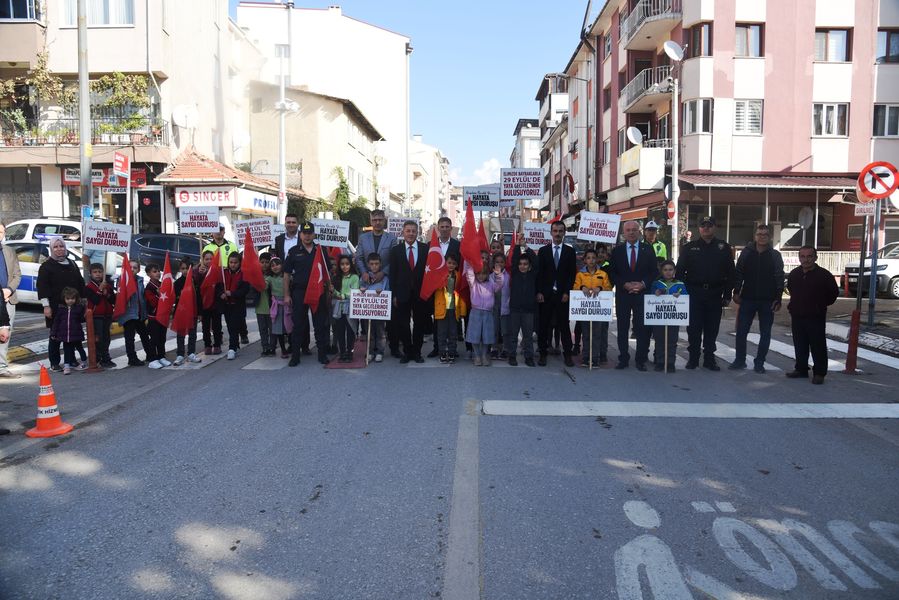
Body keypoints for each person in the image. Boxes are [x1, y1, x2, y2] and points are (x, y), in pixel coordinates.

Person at [675, 216, 735, 371]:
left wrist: (728, 295)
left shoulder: (724, 247)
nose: (706, 228)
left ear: (715, 227)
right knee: (693, 328)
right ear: (698, 228)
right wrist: (681, 293)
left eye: (709, 225)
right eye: (703, 226)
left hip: (715, 294)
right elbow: (680, 272)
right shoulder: (689, 248)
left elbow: (731, 273)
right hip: (694, 293)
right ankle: (693, 358)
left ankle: (709, 359)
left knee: (712, 328)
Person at [730, 224, 784, 374]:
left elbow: (779, 276)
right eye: (759, 234)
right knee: (741, 332)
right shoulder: (746, 253)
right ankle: (739, 360)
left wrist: (778, 297)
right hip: (747, 299)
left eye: (765, 234)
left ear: (770, 237)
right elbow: (739, 272)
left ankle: (759, 362)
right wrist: (736, 291)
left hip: (767, 300)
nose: (762, 237)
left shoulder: (775, 255)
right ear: (755, 236)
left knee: (765, 333)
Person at [785, 246, 839, 385]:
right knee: (799, 344)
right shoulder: (794, 274)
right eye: (802, 256)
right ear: (799, 258)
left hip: (816, 316)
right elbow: (791, 290)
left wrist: (819, 305)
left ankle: (819, 373)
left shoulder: (824, 275)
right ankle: (801, 369)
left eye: (809, 256)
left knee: (818, 345)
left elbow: (833, 294)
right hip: (797, 315)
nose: (806, 259)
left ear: (815, 257)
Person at [609, 221, 659, 371]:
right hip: (623, 295)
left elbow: (654, 272)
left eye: (634, 230)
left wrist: (643, 284)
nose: (631, 232)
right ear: (624, 233)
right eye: (628, 230)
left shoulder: (648, 249)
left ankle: (640, 359)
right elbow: (613, 272)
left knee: (642, 328)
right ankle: (623, 358)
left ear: (639, 232)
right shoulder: (617, 251)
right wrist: (624, 284)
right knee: (622, 327)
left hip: (642, 294)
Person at [284, 222, 332, 366]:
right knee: (298, 324)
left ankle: (322, 354)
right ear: (300, 235)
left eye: (310, 233)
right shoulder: (293, 251)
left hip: (318, 292)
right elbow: (286, 275)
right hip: (299, 291)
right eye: (304, 233)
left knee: (320, 324)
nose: (307, 236)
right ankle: (295, 356)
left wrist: (329, 290)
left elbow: (327, 272)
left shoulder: (321, 250)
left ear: (314, 234)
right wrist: (286, 295)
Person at [37, 237, 85, 371]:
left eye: (61, 246)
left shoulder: (72, 263)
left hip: (73, 306)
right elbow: (42, 286)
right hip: (55, 307)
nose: (59, 249)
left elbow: (80, 283)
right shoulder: (46, 266)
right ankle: (54, 362)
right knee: (55, 335)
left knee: (72, 335)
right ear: (52, 249)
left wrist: (83, 301)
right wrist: (46, 306)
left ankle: (71, 360)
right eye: (56, 247)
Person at [536, 221, 577, 366]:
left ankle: (567, 354)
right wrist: (539, 291)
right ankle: (542, 353)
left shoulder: (569, 251)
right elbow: (539, 274)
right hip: (546, 295)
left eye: (560, 231)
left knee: (564, 326)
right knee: (543, 325)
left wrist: (567, 292)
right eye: (555, 231)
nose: (558, 233)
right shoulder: (543, 251)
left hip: (562, 296)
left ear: (564, 232)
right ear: (551, 232)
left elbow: (572, 275)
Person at [573, 248, 612, 367]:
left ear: (597, 260)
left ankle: (595, 358)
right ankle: (585, 357)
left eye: (594, 258)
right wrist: (582, 288)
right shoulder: (580, 274)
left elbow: (609, 288)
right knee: (586, 334)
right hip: (585, 311)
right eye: (588, 258)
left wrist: (600, 289)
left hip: (598, 311)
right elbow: (575, 287)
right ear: (584, 260)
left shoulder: (603, 274)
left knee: (596, 334)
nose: (591, 260)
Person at [464, 251, 504, 366]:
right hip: (475, 312)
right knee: (475, 336)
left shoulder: (491, 283)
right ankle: (476, 355)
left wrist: (498, 274)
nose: (481, 276)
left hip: (487, 313)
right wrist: (470, 261)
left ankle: (484, 355)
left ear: (488, 274)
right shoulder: (473, 283)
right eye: (479, 273)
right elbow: (469, 273)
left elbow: (500, 284)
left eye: (484, 274)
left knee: (487, 336)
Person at [650, 260, 688, 373]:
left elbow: (686, 297)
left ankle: (670, 362)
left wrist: (680, 295)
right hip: (659, 318)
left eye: (670, 270)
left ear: (674, 271)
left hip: (673, 318)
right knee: (659, 340)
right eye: (665, 270)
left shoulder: (680, 284)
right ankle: (660, 362)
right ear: (661, 271)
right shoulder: (656, 283)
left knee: (672, 341)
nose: (668, 272)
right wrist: (655, 293)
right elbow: (651, 297)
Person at [506, 247, 538, 367]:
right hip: (515, 310)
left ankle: (529, 357)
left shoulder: (533, 275)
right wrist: (518, 246)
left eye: (525, 264)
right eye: (520, 264)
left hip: (528, 310)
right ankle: (512, 356)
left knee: (528, 336)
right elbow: (514, 259)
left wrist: (527, 248)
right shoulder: (514, 273)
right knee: (513, 335)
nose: (522, 266)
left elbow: (535, 261)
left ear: (529, 266)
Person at [117, 257, 151, 367]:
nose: (132, 269)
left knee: (144, 335)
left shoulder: (140, 280)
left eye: (135, 268)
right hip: (129, 314)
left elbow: (142, 296)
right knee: (129, 337)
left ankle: (150, 354)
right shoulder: (122, 280)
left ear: (139, 269)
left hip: (139, 313)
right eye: (130, 267)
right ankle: (132, 358)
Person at [217, 252, 250, 360]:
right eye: (231, 262)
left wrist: (233, 293)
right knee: (230, 325)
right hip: (226, 305)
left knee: (234, 326)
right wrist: (221, 293)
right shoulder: (224, 273)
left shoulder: (243, 274)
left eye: (235, 262)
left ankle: (232, 348)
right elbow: (218, 286)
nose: (233, 264)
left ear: (240, 263)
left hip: (237, 305)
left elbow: (245, 290)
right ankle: (237, 340)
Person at [0, 221, 22, 378]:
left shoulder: (9, 251)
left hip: (8, 298)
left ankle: (1, 366)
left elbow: (17, 274)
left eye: (0, 232)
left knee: (4, 335)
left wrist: (9, 290)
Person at [84, 262, 116, 368]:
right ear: (91, 274)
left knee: (106, 338)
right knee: (99, 338)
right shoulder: (88, 287)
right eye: (95, 272)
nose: (98, 274)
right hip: (96, 316)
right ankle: (100, 358)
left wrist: (108, 294)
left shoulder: (108, 285)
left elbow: (113, 300)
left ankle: (104, 357)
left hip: (107, 315)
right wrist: (100, 290)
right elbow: (95, 300)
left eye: (100, 272)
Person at [359, 252, 390, 363]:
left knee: (381, 332)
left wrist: (381, 293)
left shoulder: (385, 278)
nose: (374, 266)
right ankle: (370, 351)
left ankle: (380, 352)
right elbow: (360, 290)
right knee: (369, 332)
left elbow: (387, 292)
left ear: (380, 264)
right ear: (368, 265)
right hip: (368, 310)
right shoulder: (364, 277)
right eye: (372, 264)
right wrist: (362, 290)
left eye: (376, 264)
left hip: (380, 310)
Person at [433, 253, 463, 363]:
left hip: (454, 309)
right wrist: (442, 279)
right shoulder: (439, 275)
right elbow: (434, 287)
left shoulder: (458, 275)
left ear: (456, 265)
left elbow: (461, 292)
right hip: (442, 308)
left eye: (453, 263)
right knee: (441, 333)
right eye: (449, 263)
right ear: (445, 263)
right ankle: (442, 352)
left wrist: (462, 310)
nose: (451, 265)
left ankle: (451, 352)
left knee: (453, 332)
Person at [330, 255, 360, 363]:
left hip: (351, 308)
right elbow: (333, 295)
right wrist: (332, 290)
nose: (344, 266)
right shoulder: (336, 277)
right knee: (340, 332)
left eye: (347, 264)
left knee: (351, 331)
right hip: (339, 309)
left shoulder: (355, 277)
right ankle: (342, 352)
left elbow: (354, 293)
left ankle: (350, 352)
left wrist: (340, 295)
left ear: (350, 265)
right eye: (342, 264)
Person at [50, 287, 86, 375]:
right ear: (64, 299)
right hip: (65, 335)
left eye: (72, 298)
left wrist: (84, 308)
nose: (70, 301)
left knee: (80, 348)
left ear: (76, 299)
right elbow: (56, 322)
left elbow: (82, 319)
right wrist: (53, 333)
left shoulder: (78, 308)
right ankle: (67, 366)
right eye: (68, 299)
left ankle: (84, 361)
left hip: (76, 334)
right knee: (67, 350)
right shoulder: (61, 309)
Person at [173, 257, 202, 365]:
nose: (185, 270)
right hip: (181, 313)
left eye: (187, 268)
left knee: (192, 333)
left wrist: (200, 313)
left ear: (191, 268)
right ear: (180, 269)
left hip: (193, 312)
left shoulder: (194, 281)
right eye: (182, 268)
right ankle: (180, 354)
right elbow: (174, 297)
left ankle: (191, 353)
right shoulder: (177, 283)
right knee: (180, 334)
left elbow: (199, 298)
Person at [144, 263, 171, 369]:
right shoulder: (149, 288)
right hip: (153, 317)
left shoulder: (162, 284)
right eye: (154, 271)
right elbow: (153, 302)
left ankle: (161, 356)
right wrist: (159, 294)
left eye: (158, 271)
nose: (158, 273)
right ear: (148, 274)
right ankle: (152, 359)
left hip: (163, 316)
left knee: (162, 338)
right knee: (154, 339)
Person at [197, 250, 223, 355]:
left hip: (215, 304)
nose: (209, 261)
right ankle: (207, 345)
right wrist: (200, 274)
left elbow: (221, 286)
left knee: (217, 327)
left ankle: (217, 345)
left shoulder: (218, 271)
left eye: (211, 259)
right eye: (206, 259)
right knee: (205, 327)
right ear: (202, 260)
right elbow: (197, 286)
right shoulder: (199, 271)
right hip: (204, 304)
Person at [267, 257, 291, 358]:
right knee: (278, 329)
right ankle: (283, 349)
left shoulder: (287, 276)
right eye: (272, 265)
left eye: (277, 264)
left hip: (287, 304)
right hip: (276, 306)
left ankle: (292, 345)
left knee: (289, 327)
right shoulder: (270, 278)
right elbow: (264, 285)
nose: (275, 267)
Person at [491, 252, 510, 359]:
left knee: (505, 329)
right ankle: (494, 348)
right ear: (493, 263)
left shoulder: (508, 276)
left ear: (505, 263)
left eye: (502, 262)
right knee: (494, 328)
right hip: (494, 306)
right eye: (497, 262)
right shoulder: (490, 277)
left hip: (505, 306)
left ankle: (506, 348)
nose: (499, 264)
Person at [255, 252, 274, 356]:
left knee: (272, 329)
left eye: (267, 262)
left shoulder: (273, 275)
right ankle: (265, 347)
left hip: (271, 307)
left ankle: (272, 347)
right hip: (260, 307)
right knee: (262, 329)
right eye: (262, 262)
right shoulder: (255, 275)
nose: (264, 264)